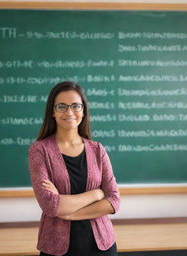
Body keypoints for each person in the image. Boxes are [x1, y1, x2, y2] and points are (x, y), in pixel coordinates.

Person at [28, 81, 120, 256]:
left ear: (83, 110)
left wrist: (68, 213)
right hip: (57, 248)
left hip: (102, 247)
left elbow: (114, 201)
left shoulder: (97, 149)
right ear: (53, 112)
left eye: (75, 106)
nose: (69, 112)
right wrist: (96, 194)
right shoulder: (39, 150)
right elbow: (50, 205)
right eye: (61, 106)